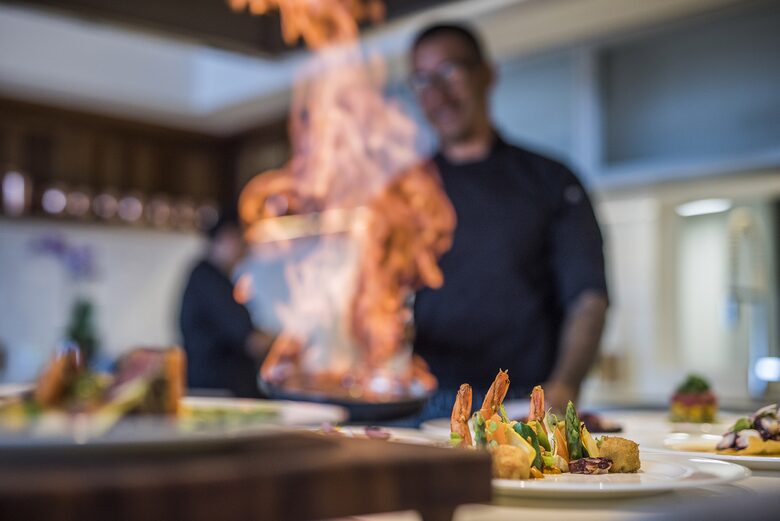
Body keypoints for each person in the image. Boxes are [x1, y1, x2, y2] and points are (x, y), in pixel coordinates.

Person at [409, 23, 609, 416]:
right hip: (426, 404)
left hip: (523, 405)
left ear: (487, 74)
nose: (437, 94)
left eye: (450, 72)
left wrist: (566, 384)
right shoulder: (407, 193)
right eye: (422, 80)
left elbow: (588, 298)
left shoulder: (551, 180)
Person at [179, 209, 273, 398]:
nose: (246, 245)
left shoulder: (210, 277)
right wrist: (286, 341)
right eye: (241, 237)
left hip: (217, 391)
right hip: (218, 394)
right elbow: (252, 342)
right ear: (226, 236)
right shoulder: (209, 280)